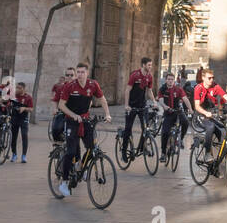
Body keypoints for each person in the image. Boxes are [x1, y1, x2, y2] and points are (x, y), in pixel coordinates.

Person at [56, 60, 110, 196]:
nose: (80, 74)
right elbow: (61, 105)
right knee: (71, 152)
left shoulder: (93, 85)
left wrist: (107, 115)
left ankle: (82, 167)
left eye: (82, 72)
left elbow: (102, 99)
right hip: (71, 121)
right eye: (78, 72)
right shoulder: (70, 86)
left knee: (92, 148)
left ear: (87, 73)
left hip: (85, 120)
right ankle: (64, 182)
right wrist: (74, 115)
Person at [193, 68, 227, 162]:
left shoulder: (215, 86)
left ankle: (216, 165)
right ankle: (207, 153)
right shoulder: (198, 88)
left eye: (213, 78)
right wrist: (205, 113)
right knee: (211, 127)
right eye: (209, 78)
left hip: (212, 114)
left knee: (224, 135)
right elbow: (197, 106)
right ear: (203, 78)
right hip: (201, 115)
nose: (212, 80)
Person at [121, 56, 156, 158]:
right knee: (128, 129)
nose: (150, 67)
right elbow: (127, 90)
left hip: (142, 106)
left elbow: (149, 90)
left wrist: (154, 101)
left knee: (145, 128)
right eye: (149, 65)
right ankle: (124, 151)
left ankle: (143, 147)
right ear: (143, 65)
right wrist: (126, 105)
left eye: (151, 65)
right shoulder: (135, 75)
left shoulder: (149, 76)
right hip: (132, 106)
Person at [157, 71, 192, 160]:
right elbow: (160, 100)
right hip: (168, 112)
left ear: (174, 80)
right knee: (164, 132)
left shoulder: (178, 89)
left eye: (172, 79)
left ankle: (180, 139)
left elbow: (185, 99)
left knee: (185, 122)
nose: (170, 81)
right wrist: (165, 107)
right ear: (166, 80)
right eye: (168, 79)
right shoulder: (162, 89)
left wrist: (191, 109)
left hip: (178, 111)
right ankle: (163, 153)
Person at [8, 82, 34, 162]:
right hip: (14, 118)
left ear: (23, 89)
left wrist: (24, 109)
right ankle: (14, 154)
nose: (17, 89)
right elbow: (5, 100)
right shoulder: (13, 96)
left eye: (19, 88)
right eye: (17, 87)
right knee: (13, 137)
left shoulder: (28, 97)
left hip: (23, 119)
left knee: (24, 135)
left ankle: (24, 156)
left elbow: (31, 109)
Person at [49, 65, 75, 143]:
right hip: (62, 112)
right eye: (67, 75)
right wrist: (55, 109)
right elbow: (55, 100)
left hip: (75, 114)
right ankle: (58, 145)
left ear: (75, 76)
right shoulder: (60, 88)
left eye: (72, 75)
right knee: (56, 129)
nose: (69, 77)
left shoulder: (78, 87)